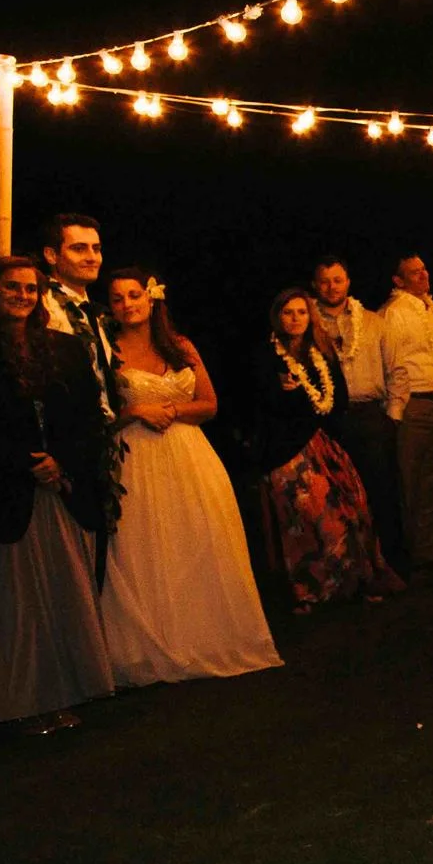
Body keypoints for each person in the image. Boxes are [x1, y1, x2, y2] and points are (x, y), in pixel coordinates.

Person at [0, 256, 114, 728]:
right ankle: (7, 702)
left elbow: (88, 418)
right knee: (5, 607)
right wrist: (26, 463)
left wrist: (61, 462)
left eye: (30, 289)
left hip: (58, 494)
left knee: (58, 599)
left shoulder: (65, 349)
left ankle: (57, 695)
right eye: (12, 287)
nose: (22, 296)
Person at [98, 269, 281, 687]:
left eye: (134, 295)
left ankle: (206, 637)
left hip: (189, 456)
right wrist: (136, 411)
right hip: (137, 457)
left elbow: (210, 404)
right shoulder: (108, 350)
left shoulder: (180, 346)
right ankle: (153, 644)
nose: (127, 305)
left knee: (196, 540)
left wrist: (173, 410)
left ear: (150, 299)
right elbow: (101, 416)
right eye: (117, 298)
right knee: (147, 548)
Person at [254, 289, 402, 612]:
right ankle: (311, 590)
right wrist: (292, 395)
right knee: (310, 521)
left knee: (352, 511)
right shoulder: (267, 356)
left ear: (310, 316)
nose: (295, 319)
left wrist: (305, 402)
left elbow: (338, 400)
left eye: (301, 312)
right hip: (288, 452)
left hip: (324, 444)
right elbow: (267, 404)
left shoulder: (322, 352)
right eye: (288, 313)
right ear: (278, 317)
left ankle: (352, 584)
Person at [310, 255, 406, 573]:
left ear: (348, 282)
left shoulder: (374, 322)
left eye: (337, 280)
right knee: (337, 500)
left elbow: (397, 370)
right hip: (328, 420)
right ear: (315, 286)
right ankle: (348, 572)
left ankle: (390, 566)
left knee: (381, 494)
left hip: (371, 417)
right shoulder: (308, 325)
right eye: (325, 281)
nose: (332, 287)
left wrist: (392, 418)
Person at [381, 252, 433, 569]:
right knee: (412, 480)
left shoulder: (428, 308)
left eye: (424, 269)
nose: (423, 275)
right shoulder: (396, 312)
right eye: (414, 272)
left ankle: (429, 545)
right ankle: (412, 549)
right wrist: (397, 412)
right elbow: (392, 364)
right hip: (413, 405)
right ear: (398, 280)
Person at [38, 213, 118, 422]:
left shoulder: (98, 313)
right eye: (79, 248)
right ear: (51, 255)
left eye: (96, 249)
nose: (92, 257)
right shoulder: (42, 306)